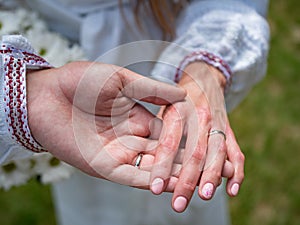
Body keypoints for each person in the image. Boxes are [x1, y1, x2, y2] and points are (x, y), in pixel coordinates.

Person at [0, 0, 270, 225]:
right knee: (92, 206)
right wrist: (28, 95)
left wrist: (205, 67)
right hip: (70, 100)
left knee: (187, 171)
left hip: (167, 41)